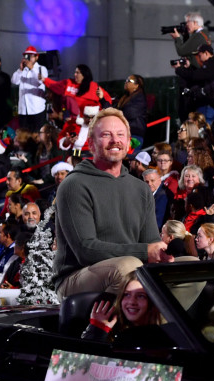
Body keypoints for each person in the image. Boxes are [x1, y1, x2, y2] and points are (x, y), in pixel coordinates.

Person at [53, 107, 166, 298]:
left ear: (128, 142)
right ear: (91, 144)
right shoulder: (74, 185)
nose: (115, 140)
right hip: (78, 275)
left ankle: (161, 327)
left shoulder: (141, 189)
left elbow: (151, 243)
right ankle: (116, 326)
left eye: (120, 135)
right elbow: (85, 250)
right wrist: (144, 251)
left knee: (192, 269)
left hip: (131, 269)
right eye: (106, 135)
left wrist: (162, 254)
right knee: (128, 268)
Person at [82, 272, 163, 341]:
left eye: (140, 296)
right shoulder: (111, 326)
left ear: (152, 301)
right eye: (126, 294)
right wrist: (97, 330)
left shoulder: (164, 331)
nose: (131, 302)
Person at [173, 43, 214, 124]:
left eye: (200, 55)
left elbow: (195, 76)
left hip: (208, 105)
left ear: (206, 53)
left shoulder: (211, 65)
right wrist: (190, 67)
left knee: (203, 130)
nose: (198, 57)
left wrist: (179, 69)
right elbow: (200, 75)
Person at [44, 64, 111, 119]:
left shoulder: (93, 86)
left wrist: (100, 114)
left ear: (84, 75)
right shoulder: (69, 83)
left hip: (88, 118)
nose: (74, 74)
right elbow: (54, 84)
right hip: (71, 118)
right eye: (75, 72)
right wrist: (44, 80)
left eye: (77, 73)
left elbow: (107, 99)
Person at [99, 74, 148, 147]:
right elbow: (113, 111)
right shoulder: (125, 98)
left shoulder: (140, 99)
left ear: (136, 85)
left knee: (128, 157)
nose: (126, 82)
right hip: (123, 134)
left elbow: (126, 114)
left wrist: (114, 114)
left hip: (134, 135)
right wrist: (102, 99)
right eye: (126, 80)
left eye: (129, 81)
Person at [11, 46, 48, 132]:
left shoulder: (41, 69)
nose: (28, 58)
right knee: (24, 136)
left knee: (37, 135)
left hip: (36, 109)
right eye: (26, 56)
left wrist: (32, 68)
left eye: (30, 56)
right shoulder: (23, 70)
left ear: (36, 57)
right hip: (23, 110)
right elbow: (14, 81)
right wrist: (20, 70)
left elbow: (40, 81)